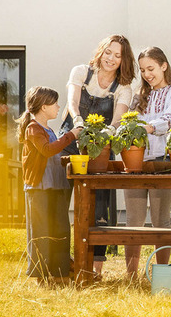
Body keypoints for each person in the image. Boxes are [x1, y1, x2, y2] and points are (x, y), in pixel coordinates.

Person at [65, 34, 136, 277]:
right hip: (72, 140)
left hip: (101, 147)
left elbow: (119, 117)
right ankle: (62, 262)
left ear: (123, 61)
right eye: (108, 52)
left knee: (99, 206)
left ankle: (95, 269)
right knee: (61, 200)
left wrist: (110, 131)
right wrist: (78, 121)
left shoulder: (123, 88)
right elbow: (72, 103)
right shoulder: (81, 72)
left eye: (118, 56)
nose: (111, 59)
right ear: (101, 51)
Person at [122, 46, 171, 280]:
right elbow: (127, 122)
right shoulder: (140, 96)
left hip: (162, 161)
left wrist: (148, 128)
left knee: (161, 219)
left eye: (151, 68)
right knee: (134, 219)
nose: (147, 74)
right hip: (136, 162)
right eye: (143, 70)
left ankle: (162, 274)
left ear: (164, 66)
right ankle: (131, 275)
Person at [17, 86, 81, 283]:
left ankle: (60, 272)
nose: (58, 107)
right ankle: (40, 275)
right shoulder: (33, 128)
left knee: (60, 229)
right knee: (41, 231)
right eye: (55, 103)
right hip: (39, 188)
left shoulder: (48, 129)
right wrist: (71, 135)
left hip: (55, 186)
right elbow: (47, 150)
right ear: (44, 107)